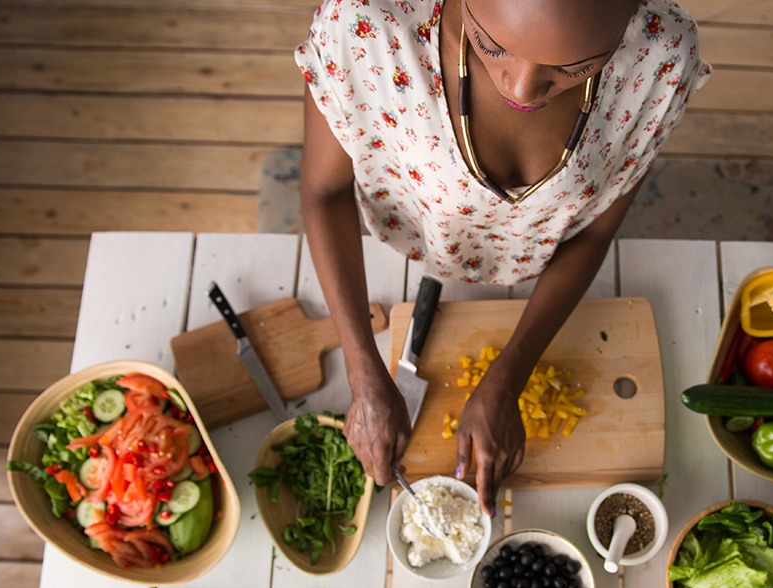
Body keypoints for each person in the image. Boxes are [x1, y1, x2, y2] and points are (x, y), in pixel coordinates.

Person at [295, 0, 710, 516]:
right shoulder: (364, 26)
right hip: (402, 249)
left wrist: (509, 376)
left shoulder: (661, 56)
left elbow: (597, 231)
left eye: (573, 67)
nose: (519, 88)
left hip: (546, 263)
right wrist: (362, 371)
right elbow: (324, 194)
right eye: (491, 45)